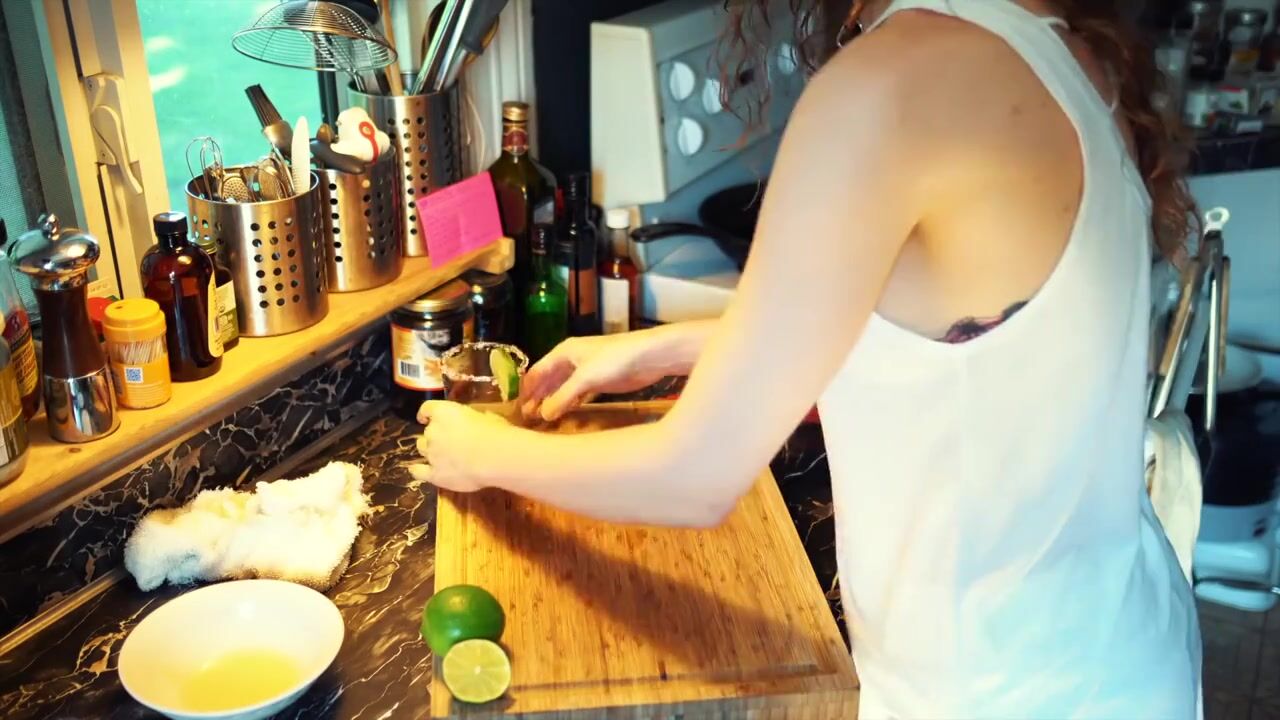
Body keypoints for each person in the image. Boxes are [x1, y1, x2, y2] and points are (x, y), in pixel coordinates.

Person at [409, 0, 1203, 716]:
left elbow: (695, 476)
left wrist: (488, 452)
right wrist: (666, 347)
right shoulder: (1060, 45)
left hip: (994, 692)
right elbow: (967, 348)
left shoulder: (890, 85)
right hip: (1124, 655)